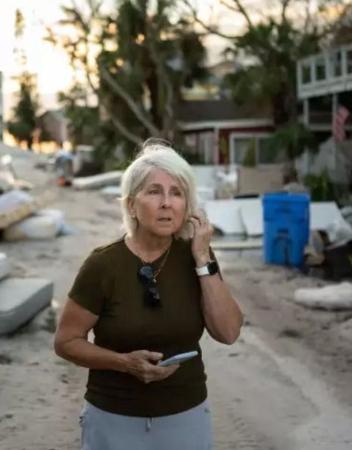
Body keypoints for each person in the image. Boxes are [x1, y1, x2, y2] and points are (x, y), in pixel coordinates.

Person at [54, 139, 244, 449]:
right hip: (114, 418)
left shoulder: (197, 259)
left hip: (186, 415)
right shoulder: (103, 265)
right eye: (154, 191)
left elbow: (228, 332)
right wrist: (124, 363)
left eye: (177, 193)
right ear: (131, 204)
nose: (167, 203)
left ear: (188, 207)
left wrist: (201, 259)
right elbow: (65, 342)